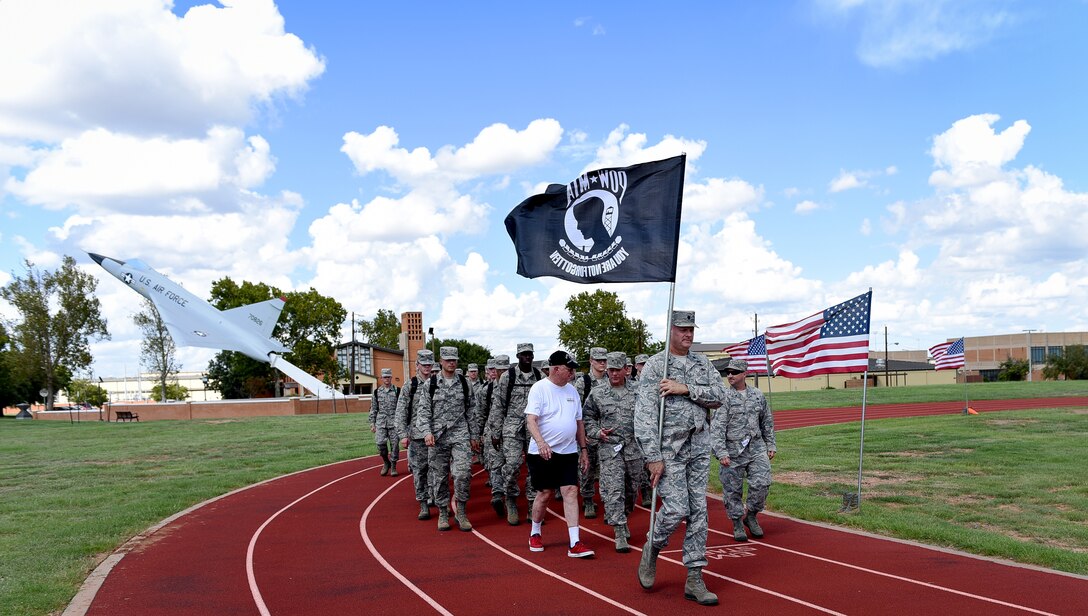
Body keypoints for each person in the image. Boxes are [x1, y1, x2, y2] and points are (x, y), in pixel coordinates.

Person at [635, 310, 726, 606]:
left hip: (698, 445)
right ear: (670, 330)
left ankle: (695, 576)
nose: (688, 334)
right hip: (668, 450)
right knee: (677, 508)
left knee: (699, 510)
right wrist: (652, 456)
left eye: (691, 330)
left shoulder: (702, 363)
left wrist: (686, 388)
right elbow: (644, 416)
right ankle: (653, 547)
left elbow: (720, 397)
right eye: (682, 329)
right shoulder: (655, 366)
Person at [525, 350, 594, 558]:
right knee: (544, 494)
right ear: (555, 369)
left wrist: (583, 450)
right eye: (569, 368)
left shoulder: (572, 391)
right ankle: (535, 532)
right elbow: (531, 420)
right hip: (542, 452)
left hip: (568, 451)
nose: (572, 372)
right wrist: (541, 442)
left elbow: (579, 423)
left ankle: (575, 542)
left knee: (571, 491)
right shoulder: (539, 389)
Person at [583, 351, 645, 552]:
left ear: (626, 370)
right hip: (610, 449)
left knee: (630, 490)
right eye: (611, 370)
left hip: (634, 449)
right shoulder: (598, 392)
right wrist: (597, 432)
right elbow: (587, 418)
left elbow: (650, 415)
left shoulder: (639, 391)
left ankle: (624, 517)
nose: (614, 374)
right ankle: (619, 531)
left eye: (618, 370)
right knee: (613, 490)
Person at [711, 358, 776, 542]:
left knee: (762, 483)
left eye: (734, 372)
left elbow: (766, 421)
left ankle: (752, 515)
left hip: (756, 448)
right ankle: (737, 521)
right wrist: (721, 452)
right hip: (732, 451)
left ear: (744, 374)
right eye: (728, 372)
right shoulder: (724, 397)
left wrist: (770, 444)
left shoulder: (757, 395)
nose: (730, 375)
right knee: (732, 490)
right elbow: (716, 428)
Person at [420, 346, 478, 532]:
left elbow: (471, 410)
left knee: (463, 473)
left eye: (454, 359)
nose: (451, 362)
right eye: (448, 360)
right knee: (439, 477)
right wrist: (427, 432)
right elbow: (423, 411)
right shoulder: (431, 384)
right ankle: (443, 511)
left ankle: (461, 510)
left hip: (460, 433)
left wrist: (474, 435)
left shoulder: (464, 382)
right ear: (441, 361)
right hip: (438, 437)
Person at [491, 343, 544, 525]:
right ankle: (511, 499)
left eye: (529, 354)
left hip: (534, 427)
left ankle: (532, 504)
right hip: (512, 426)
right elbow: (498, 405)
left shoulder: (540, 377)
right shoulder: (508, 377)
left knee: (535, 467)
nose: (527, 358)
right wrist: (495, 432)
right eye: (523, 355)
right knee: (513, 464)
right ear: (517, 357)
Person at [397, 350, 435, 521]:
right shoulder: (410, 386)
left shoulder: (438, 383)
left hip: (437, 435)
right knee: (419, 471)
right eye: (423, 364)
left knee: (438, 470)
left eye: (429, 364)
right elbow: (401, 412)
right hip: (418, 436)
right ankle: (423, 504)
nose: (427, 367)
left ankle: (438, 500)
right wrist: (403, 435)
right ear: (417, 365)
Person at [574, 346, 608, 519]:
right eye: (598, 360)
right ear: (591, 361)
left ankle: (609, 502)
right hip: (588, 433)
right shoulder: (583, 382)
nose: (602, 363)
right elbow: (576, 410)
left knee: (607, 471)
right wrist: (581, 434)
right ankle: (588, 500)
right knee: (587, 469)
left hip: (608, 434)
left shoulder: (611, 380)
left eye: (604, 360)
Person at [476, 355, 510, 517]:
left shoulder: (514, 387)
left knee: (510, 465)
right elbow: (480, 414)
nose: (501, 373)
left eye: (505, 369)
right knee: (495, 465)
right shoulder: (486, 390)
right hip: (491, 432)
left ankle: (509, 495)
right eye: (499, 369)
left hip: (511, 432)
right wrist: (478, 435)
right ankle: (497, 494)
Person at [370, 368, 400, 477]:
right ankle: (386, 461)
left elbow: (401, 409)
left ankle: (393, 465)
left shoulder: (397, 391)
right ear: (381, 378)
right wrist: (372, 423)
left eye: (388, 377)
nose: (386, 379)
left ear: (391, 378)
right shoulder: (377, 392)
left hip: (394, 423)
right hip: (381, 422)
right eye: (384, 377)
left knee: (395, 445)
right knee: (380, 443)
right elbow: (373, 408)